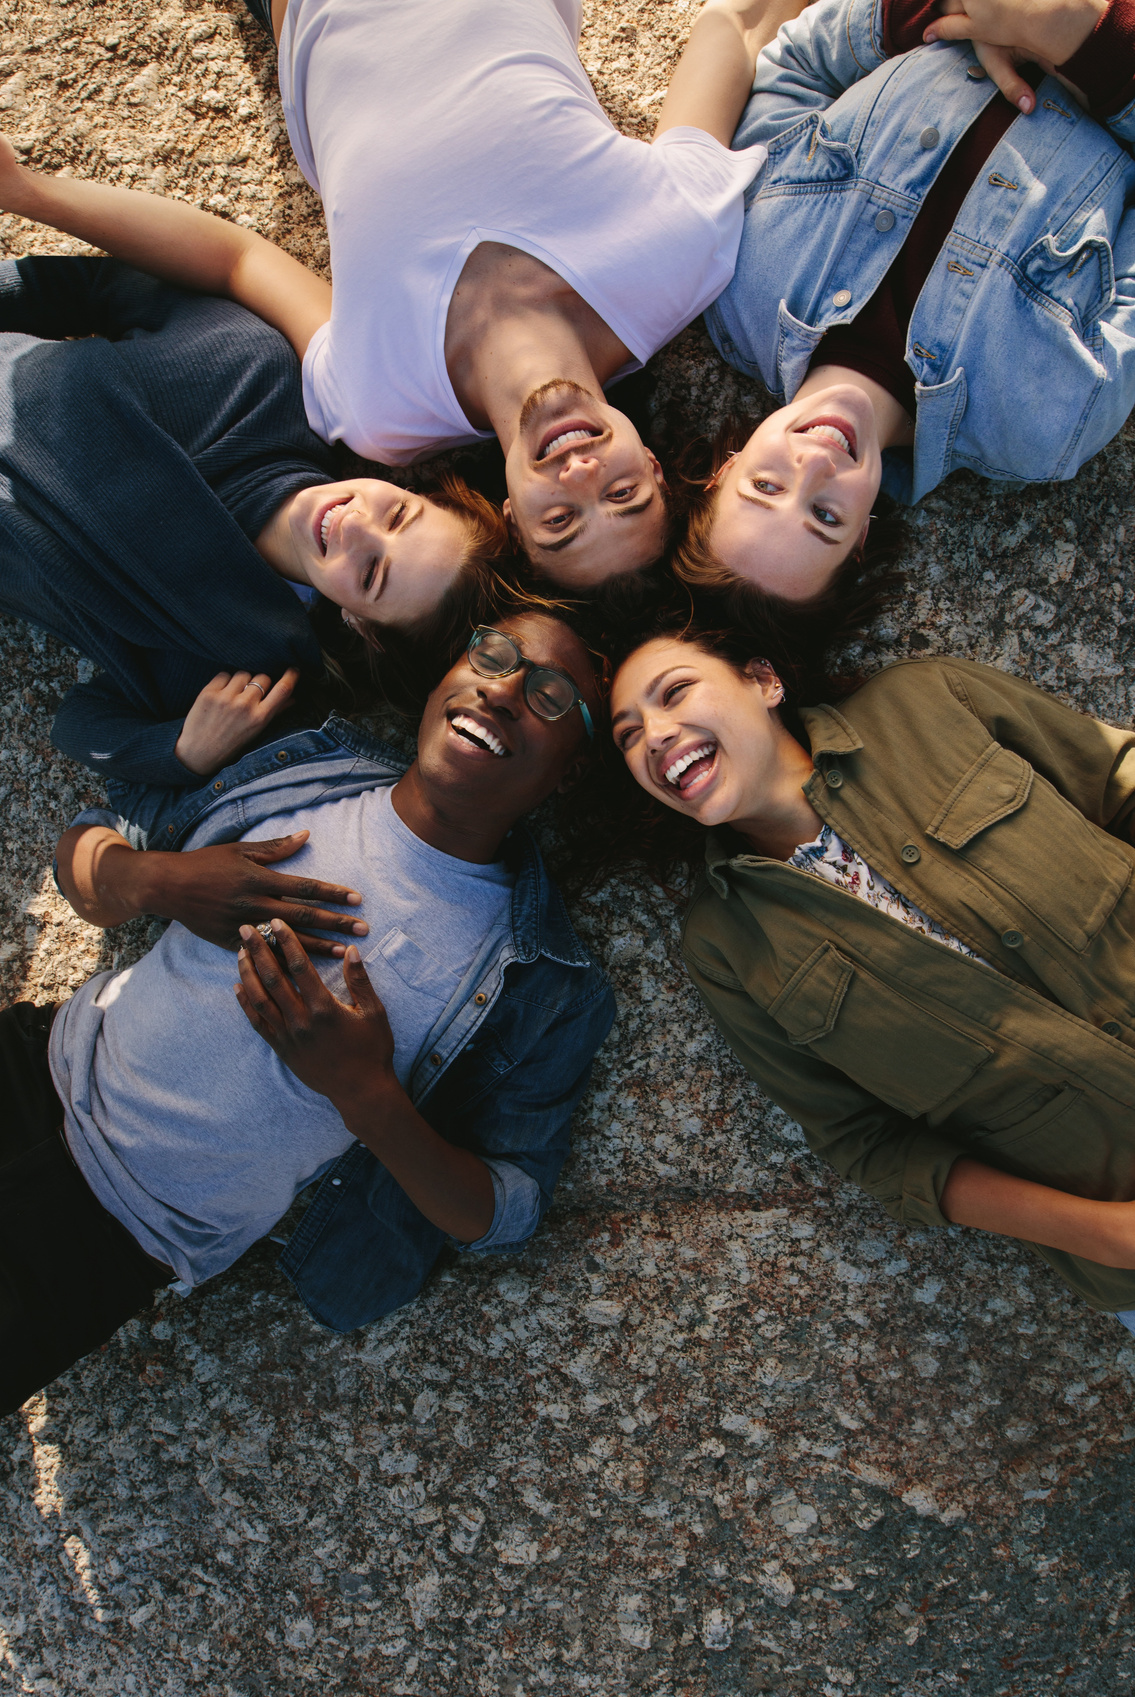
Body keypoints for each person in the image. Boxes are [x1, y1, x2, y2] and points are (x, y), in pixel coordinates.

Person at [1, 608, 614, 1415]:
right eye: (492, 654)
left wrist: (364, 1092)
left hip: (113, 1237)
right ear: (443, 678)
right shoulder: (303, 767)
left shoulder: (545, 984)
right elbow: (87, 840)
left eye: (548, 696)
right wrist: (161, 882)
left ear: (568, 769)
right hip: (33, 1063)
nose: (502, 690)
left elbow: (505, 1212)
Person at [0, 0, 801, 587]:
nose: (583, 476)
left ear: (514, 517)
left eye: (561, 520)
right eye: (622, 493)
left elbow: (240, 262)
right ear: (651, 463)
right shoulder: (679, 256)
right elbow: (732, 28)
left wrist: (31, 192)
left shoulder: (383, 408)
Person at [608, 614, 1135, 1329]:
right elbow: (869, 1145)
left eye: (672, 693)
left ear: (763, 680)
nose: (654, 734)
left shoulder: (925, 700)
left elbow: (1118, 785)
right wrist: (1100, 1232)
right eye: (628, 735)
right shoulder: (724, 943)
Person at [679, 0, 1135, 605]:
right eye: (825, 517)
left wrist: (945, 13)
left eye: (764, 485)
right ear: (862, 537)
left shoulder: (738, 280)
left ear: (726, 467)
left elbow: (799, 65)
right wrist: (1080, 36)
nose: (814, 464)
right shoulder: (1046, 424)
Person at [0, 252, 508, 791]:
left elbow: (82, 720)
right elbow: (102, 286)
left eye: (371, 575)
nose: (355, 526)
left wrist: (181, 753)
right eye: (400, 515)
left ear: (362, 626)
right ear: (410, 487)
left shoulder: (235, 663)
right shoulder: (256, 373)